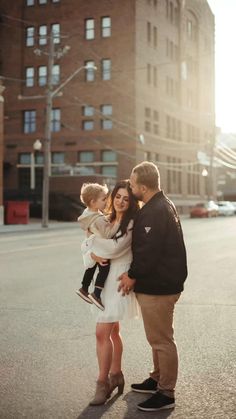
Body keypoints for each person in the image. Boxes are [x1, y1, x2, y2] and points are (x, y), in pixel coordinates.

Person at [118, 161, 188, 412]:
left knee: (161, 340)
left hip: (160, 286)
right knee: (157, 337)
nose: (130, 184)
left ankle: (166, 392)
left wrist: (131, 275)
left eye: (133, 182)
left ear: (144, 187)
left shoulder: (155, 210)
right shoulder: (160, 204)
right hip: (162, 284)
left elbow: (148, 252)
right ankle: (157, 377)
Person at [81, 180, 140, 406]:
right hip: (103, 281)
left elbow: (115, 249)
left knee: (101, 333)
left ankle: (102, 383)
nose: (121, 201)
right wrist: (92, 253)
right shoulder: (106, 219)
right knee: (113, 331)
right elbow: (85, 244)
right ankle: (117, 374)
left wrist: (92, 246)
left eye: (126, 198)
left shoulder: (131, 222)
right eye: (117, 197)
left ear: (131, 201)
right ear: (112, 197)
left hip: (119, 280)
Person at [75, 183, 120, 310]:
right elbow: (107, 234)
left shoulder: (87, 214)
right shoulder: (98, 219)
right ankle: (96, 294)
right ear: (93, 202)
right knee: (104, 268)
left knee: (91, 267)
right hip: (100, 248)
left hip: (92, 246)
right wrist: (116, 224)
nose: (106, 201)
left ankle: (84, 288)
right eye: (104, 199)